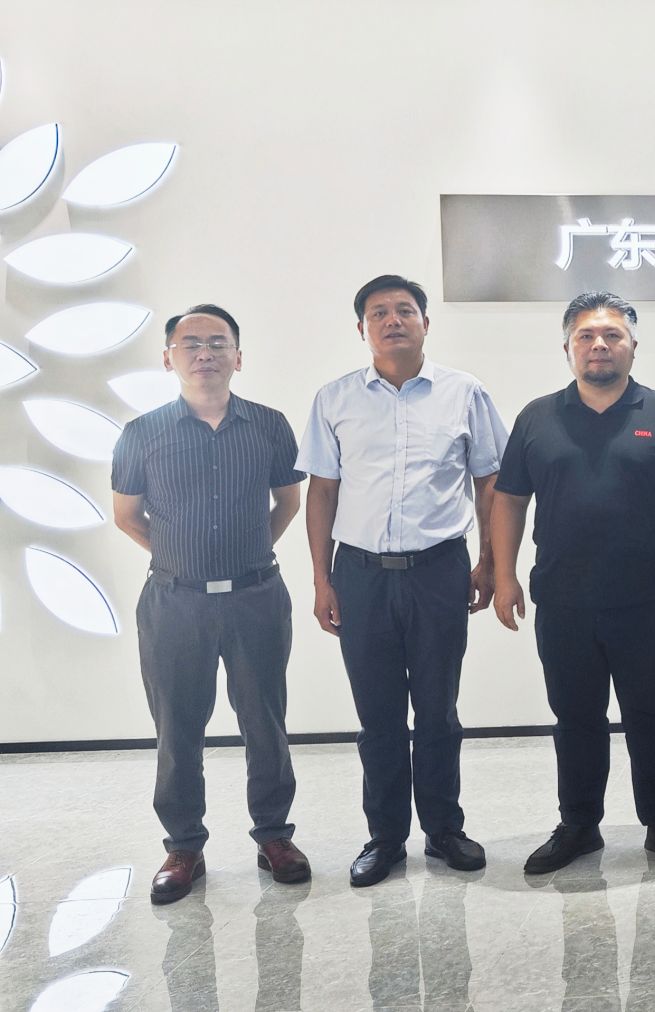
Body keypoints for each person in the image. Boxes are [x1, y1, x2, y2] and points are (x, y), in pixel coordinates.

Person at [489, 292, 655, 873]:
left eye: (612, 335)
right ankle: (579, 824)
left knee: (651, 712)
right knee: (575, 717)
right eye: (586, 336)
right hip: (563, 599)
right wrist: (504, 575)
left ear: (633, 346)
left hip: (646, 599)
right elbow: (509, 499)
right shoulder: (537, 418)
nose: (599, 345)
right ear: (567, 348)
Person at [299, 275, 505, 886]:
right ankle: (385, 838)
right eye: (379, 313)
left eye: (405, 310)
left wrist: (490, 561)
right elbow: (322, 493)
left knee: (438, 711)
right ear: (361, 327)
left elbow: (490, 483)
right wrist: (321, 579)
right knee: (378, 717)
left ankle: (444, 830)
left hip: (439, 571)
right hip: (360, 575)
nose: (393, 320)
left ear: (425, 323)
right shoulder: (335, 399)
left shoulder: (464, 392)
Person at [111, 304, 309, 903]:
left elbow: (288, 502)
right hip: (174, 602)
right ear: (168, 357)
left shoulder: (269, 425)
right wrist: (180, 558)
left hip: (257, 597)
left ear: (238, 357)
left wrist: (247, 556)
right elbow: (127, 515)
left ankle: (274, 836)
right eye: (190, 343)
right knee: (177, 727)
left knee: (265, 722)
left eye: (218, 343)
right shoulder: (142, 432)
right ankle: (183, 847)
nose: (205, 353)